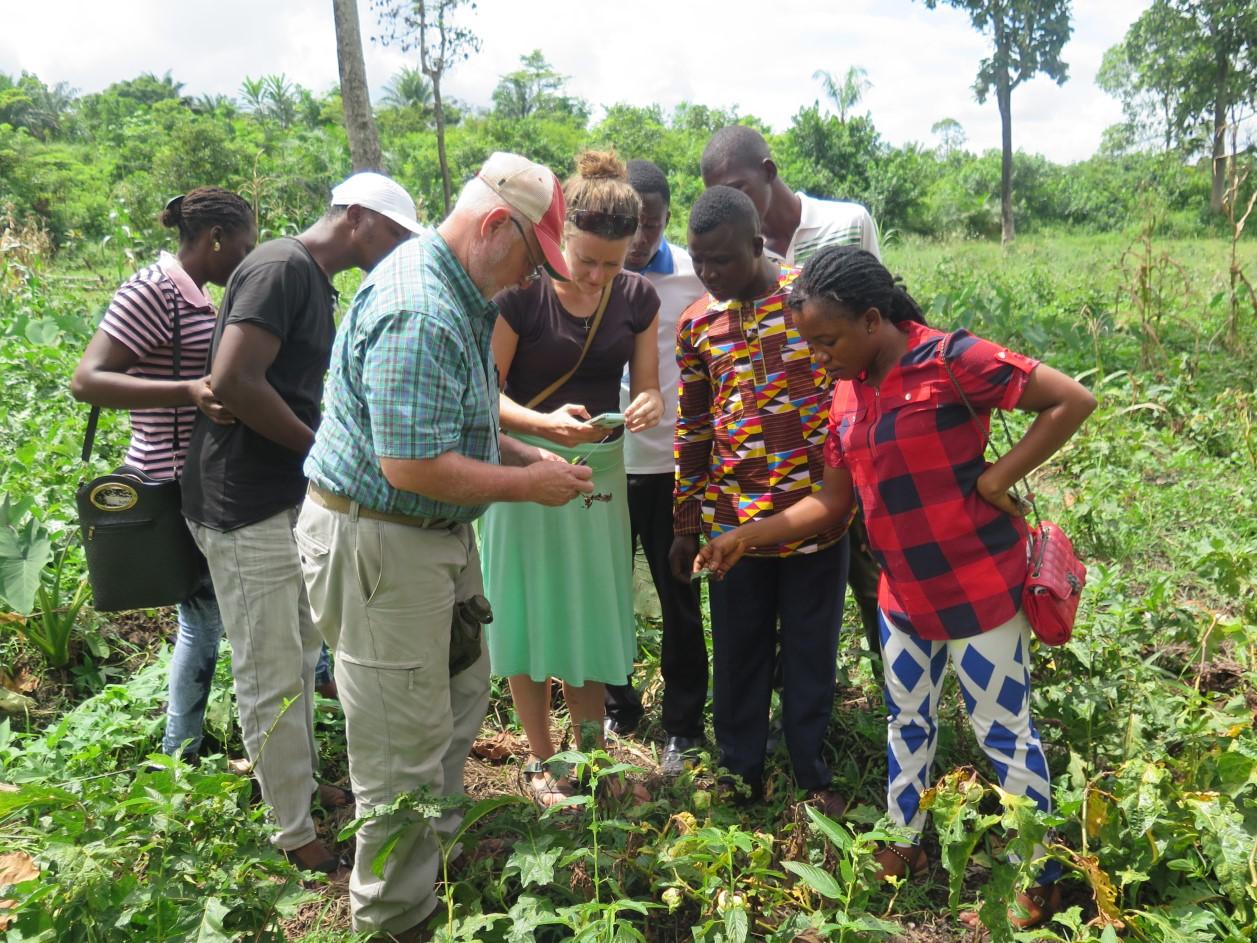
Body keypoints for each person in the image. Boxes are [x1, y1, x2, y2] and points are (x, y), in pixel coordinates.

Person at [696, 245, 1097, 930]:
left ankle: (1045, 876)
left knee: (1003, 732)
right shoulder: (845, 394)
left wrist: (995, 478)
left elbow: (1070, 398)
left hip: (978, 592)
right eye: (809, 344)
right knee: (906, 721)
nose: (818, 356)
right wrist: (745, 535)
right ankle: (902, 841)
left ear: (873, 319)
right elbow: (830, 504)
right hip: (901, 599)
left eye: (826, 341)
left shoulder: (949, 360)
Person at [296, 151, 593, 941]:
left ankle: (432, 855)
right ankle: (397, 916)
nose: (530, 280)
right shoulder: (420, 306)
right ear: (496, 225)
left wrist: (533, 448)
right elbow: (412, 462)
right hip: (382, 542)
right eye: (531, 259)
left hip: (428, 537)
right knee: (399, 743)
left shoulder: (455, 289)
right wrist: (528, 485)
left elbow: (455, 412)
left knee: (459, 694)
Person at [181, 172, 420, 879]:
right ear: (355, 217)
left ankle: (303, 788)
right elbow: (233, 379)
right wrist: (318, 449)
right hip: (241, 498)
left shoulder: (313, 279)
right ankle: (291, 830)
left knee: (300, 646)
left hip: (284, 492)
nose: (397, 251)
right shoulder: (282, 266)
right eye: (393, 235)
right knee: (270, 664)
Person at [483, 150, 664, 807]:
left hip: (597, 471)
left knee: (587, 609)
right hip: (524, 465)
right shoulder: (521, 294)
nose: (596, 276)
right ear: (561, 239)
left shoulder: (638, 297)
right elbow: (487, 395)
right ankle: (540, 756)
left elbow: (646, 390)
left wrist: (646, 406)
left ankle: (590, 755)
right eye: (585, 259)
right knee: (526, 607)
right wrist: (544, 424)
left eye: (611, 264)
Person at [668, 186, 850, 815]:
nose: (710, 273)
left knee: (809, 648)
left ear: (757, 244)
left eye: (723, 260)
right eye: (699, 261)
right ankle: (739, 770)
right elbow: (693, 426)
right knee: (739, 651)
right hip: (732, 524)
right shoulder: (697, 324)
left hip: (816, 518)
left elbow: (853, 395)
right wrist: (686, 521)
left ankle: (809, 768)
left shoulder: (811, 300)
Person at [71, 186, 256, 761]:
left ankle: (185, 749)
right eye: (245, 245)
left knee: (205, 617)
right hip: (168, 481)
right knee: (202, 619)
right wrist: (189, 391)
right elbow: (88, 379)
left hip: (197, 477)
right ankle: (181, 754)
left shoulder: (195, 293)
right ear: (216, 238)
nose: (249, 258)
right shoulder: (154, 290)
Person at [701, 124, 883, 654]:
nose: (733, 202)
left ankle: (892, 690)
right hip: (776, 462)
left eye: (739, 188)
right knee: (783, 602)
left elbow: (881, 319)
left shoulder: (846, 223)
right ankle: (792, 706)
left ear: (770, 171)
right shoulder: (728, 249)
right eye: (720, 194)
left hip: (848, 441)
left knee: (871, 574)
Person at [602, 159, 709, 776]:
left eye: (654, 224)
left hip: (672, 465)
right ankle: (619, 705)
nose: (642, 239)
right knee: (607, 588)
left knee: (679, 597)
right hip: (606, 462)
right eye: (633, 225)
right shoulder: (591, 270)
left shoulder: (695, 277)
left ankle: (684, 722)